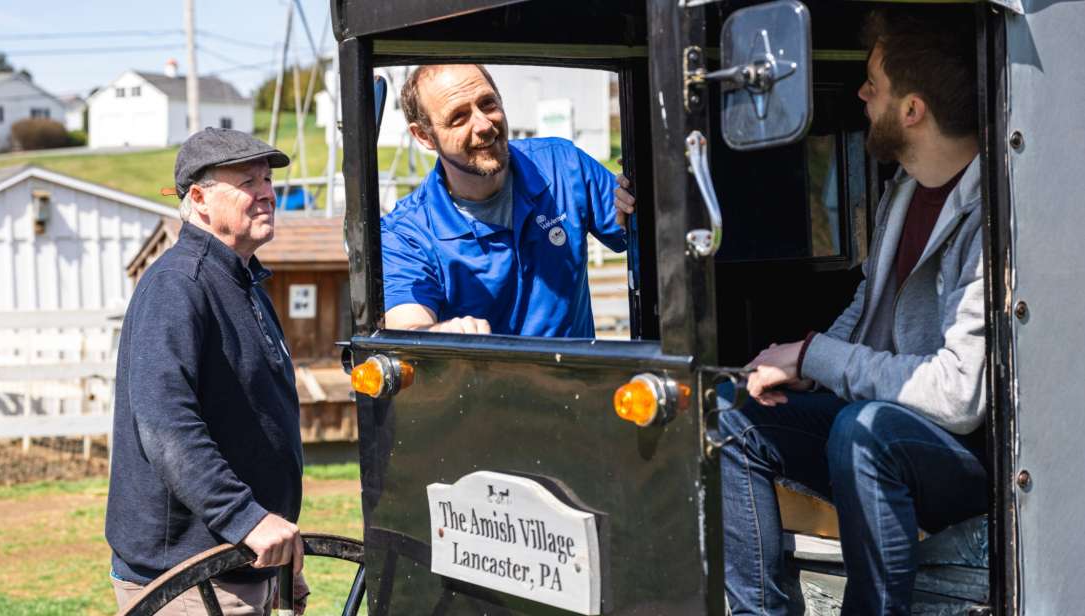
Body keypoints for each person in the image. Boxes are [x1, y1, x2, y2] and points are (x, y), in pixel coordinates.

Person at [620, 9, 984, 615]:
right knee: (727, 415)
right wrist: (806, 366)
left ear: (913, 110)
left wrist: (815, 354)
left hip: (961, 456)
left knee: (865, 432)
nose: (862, 94)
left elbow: (960, 396)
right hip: (883, 419)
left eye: (875, 84)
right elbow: (869, 304)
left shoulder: (988, 213)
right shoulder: (906, 188)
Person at [106, 128, 308, 615]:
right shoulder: (178, 286)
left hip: (244, 561)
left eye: (267, 179)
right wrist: (246, 519)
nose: (265, 192)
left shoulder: (245, 284)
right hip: (189, 577)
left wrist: (281, 558)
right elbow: (166, 428)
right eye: (247, 182)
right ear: (198, 199)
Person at [381, 64, 627, 336]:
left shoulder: (563, 165)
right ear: (424, 136)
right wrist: (440, 333)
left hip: (577, 378)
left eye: (487, 104)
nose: (484, 125)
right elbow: (407, 328)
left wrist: (645, 197)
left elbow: (647, 232)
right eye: (459, 117)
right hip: (480, 379)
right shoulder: (406, 233)